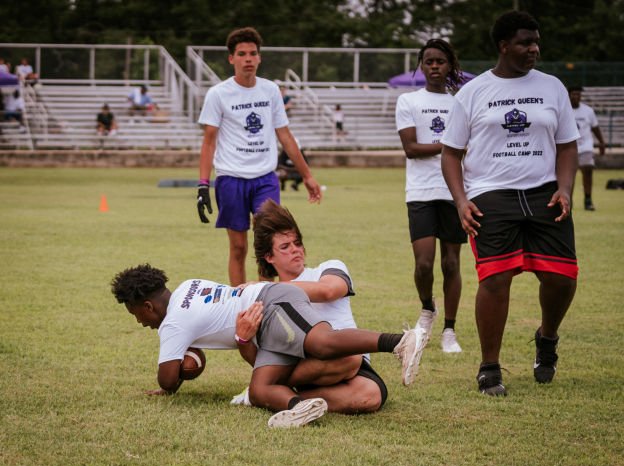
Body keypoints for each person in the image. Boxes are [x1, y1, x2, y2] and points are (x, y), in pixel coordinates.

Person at [440, 10, 579, 396]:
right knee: (496, 278)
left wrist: (565, 189)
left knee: (561, 277)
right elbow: (450, 154)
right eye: (525, 42)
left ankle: (547, 338)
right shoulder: (473, 92)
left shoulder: (552, 87)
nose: (534, 48)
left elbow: (567, 146)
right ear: (504, 46)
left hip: (544, 191)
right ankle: (489, 368)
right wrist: (461, 200)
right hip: (491, 194)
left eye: (536, 42)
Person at [110, 264, 427, 427]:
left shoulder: (173, 323)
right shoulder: (186, 287)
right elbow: (209, 323)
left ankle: (400, 342)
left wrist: (177, 378)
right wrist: (192, 355)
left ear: (148, 306)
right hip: (261, 328)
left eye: (135, 313)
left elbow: (167, 378)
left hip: (270, 304)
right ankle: (299, 407)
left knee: (322, 342)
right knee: (260, 390)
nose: (138, 321)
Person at [196, 27, 322, 287]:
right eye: (242, 54)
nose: (248, 59)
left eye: (253, 53)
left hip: (265, 178)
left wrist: (307, 176)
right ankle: (239, 304)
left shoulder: (270, 90)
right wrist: (203, 184)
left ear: (260, 57)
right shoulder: (218, 94)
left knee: (269, 249)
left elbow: (285, 136)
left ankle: (268, 305)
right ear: (231, 59)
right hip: (231, 178)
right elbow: (209, 142)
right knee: (239, 247)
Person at [249, 198, 387, 414]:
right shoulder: (264, 297)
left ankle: (278, 395)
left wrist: (272, 290)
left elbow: (329, 291)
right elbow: (262, 356)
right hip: (303, 366)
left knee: (368, 392)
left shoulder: (328, 268)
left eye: (297, 243)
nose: (296, 250)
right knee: (349, 361)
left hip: (345, 362)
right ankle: (275, 392)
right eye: (285, 246)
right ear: (269, 257)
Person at [395, 39, 466, 353]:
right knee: (424, 264)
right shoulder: (408, 101)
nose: (435, 66)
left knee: (452, 264)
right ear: (421, 66)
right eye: (429, 61)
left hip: (455, 193)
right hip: (421, 192)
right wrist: (451, 145)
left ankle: (449, 331)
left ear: (449, 65)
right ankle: (428, 308)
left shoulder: (461, 103)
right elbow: (411, 149)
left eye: (440, 61)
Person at [568, 85, 606, 211]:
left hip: (585, 146)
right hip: (569, 148)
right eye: (573, 94)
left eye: (578, 94)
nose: (576, 96)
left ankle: (588, 200)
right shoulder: (564, 110)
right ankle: (568, 201)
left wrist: (601, 142)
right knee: (569, 176)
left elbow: (595, 127)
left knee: (588, 170)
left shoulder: (588, 111)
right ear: (569, 95)